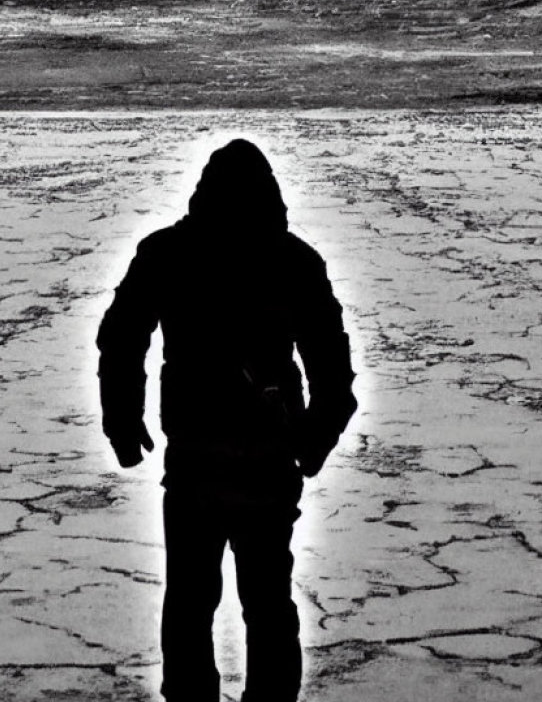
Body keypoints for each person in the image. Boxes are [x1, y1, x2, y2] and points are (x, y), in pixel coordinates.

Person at [96, 139, 357, 702]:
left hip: (198, 468)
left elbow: (121, 338)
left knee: (193, 605)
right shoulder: (293, 261)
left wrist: (123, 418)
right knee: (265, 607)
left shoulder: (168, 253)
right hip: (256, 469)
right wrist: (311, 443)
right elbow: (335, 377)